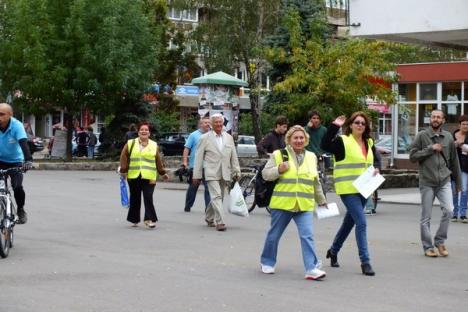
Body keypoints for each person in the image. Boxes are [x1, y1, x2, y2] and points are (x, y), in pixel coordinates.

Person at [260, 125, 327, 280]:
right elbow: (265, 174)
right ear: (289, 140)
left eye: (301, 138)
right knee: (274, 235)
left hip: (304, 204)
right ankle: (267, 262)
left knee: (307, 236)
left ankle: (311, 268)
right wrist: (279, 169)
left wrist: (321, 200)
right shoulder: (279, 154)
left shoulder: (311, 157)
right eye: (295, 138)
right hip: (283, 203)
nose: (299, 140)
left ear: (306, 140)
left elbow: (315, 181)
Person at [321, 112, 381, 276]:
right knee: (361, 221)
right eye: (357, 122)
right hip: (347, 189)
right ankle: (365, 262)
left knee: (350, 222)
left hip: (364, 188)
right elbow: (324, 144)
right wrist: (334, 126)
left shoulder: (369, 142)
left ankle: (333, 251)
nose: (360, 125)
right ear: (351, 125)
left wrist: (377, 167)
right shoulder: (343, 141)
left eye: (363, 123)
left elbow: (375, 158)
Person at [409, 109, 461, 257]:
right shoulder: (422, 135)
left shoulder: (448, 137)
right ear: (429, 119)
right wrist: (430, 149)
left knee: (449, 210)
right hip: (427, 181)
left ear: (443, 120)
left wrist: (458, 184)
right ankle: (427, 247)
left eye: (438, 117)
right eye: (433, 117)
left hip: (444, 180)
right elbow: (412, 156)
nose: (436, 119)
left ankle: (439, 241)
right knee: (426, 216)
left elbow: (454, 162)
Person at [193, 113, 241, 232]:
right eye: (216, 122)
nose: (219, 124)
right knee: (217, 196)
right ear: (211, 124)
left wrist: (237, 171)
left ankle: (209, 217)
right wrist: (196, 175)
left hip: (225, 172)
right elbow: (198, 158)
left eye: (220, 122)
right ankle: (220, 222)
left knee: (218, 197)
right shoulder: (204, 138)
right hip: (211, 172)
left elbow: (233, 156)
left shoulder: (228, 137)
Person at [119, 122, 169, 228]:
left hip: (150, 176)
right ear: (138, 132)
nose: (144, 131)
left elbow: (158, 160)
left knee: (148, 197)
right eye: (142, 129)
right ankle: (134, 219)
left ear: (149, 133)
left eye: (146, 130)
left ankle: (149, 219)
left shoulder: (154, 145)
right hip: (134, 175)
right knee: (135, 197)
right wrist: (123, 170)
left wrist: (162, 173)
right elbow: (123, 156)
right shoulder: (131, 143)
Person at [0, 103, 33, 224]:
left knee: (17, 187)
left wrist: (28, 161)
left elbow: (24, 144)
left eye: (2, 114)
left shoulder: (17, 126)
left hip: (15, 162)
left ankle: (20, 209)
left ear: (10, 115)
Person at [183, 116, 211, 212]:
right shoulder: (193, 135)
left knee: (208, 188)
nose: (208, 124)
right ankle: (188, 205)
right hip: (196, 166)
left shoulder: (212, 135)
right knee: (193, 187)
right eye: (205, 122)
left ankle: (208, 208)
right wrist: (185, 162)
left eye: (209, 122)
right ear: (200, 124)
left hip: (208, 166)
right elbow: (187, 148)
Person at [451, 115, 468, 223]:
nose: (466, 126)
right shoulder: (452, 136)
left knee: (465, 190)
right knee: (454, 191)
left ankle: (463, 214)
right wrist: (453, 144)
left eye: (467, 124)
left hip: (466, 167)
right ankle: (454, 213)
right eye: (463, 124)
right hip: (453, 167)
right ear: (459, 125)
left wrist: (461, 144)